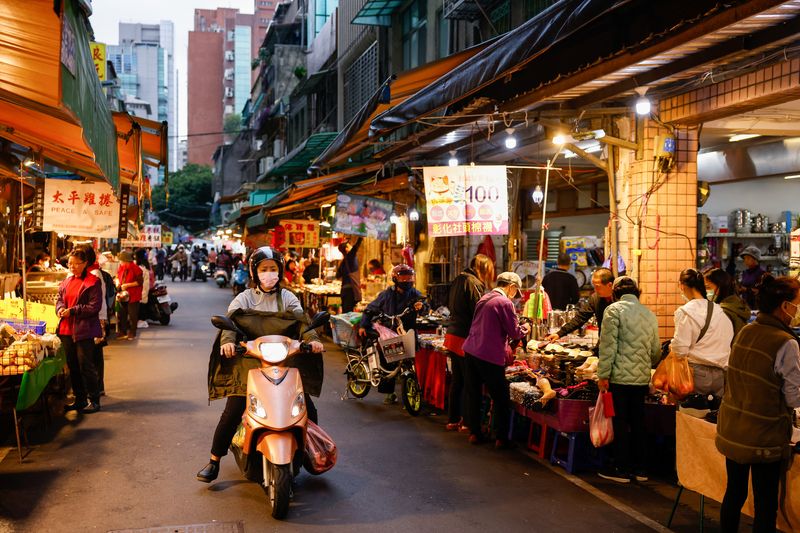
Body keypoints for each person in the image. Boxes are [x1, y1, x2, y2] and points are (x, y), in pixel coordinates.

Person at [196, 246, 325, 483]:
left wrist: (313, 340)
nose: (269, 274)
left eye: (273, 269)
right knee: (233, 409)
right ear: (255, 273)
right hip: (249, 362)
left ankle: (310, 450)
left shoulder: (288, 297)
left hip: (285, 362)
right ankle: (214, 460)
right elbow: (229, 327)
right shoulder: (243, 298)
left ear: (280, 272)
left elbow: (304, 325)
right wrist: (228, 343)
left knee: (308, 407)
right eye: (264, 269)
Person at [716, 275, 800, 532]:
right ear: (784, 306)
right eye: (797, 302)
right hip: (764, 436)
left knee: (734, 493)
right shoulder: (786, 342)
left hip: (733, 429)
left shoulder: (746, 331)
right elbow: (794, 397)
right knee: (765, 504)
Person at [596, 277, 661, 483]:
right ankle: (641, 469)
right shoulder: (649, 314)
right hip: (641, 379)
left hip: (619, 378)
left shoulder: (614, 311)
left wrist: (603, 375)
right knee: (639, 422)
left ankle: (621, 468)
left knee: (621, 422)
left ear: (615, 292)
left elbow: (607, 347)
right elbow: (655, 352)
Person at [462, 272, 529, 449]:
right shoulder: (504, 302)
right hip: (489, 355)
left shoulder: (484, 298)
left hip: (471, 351)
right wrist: (526, 328)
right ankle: (501, 438)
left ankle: (474, 432)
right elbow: (514, 332)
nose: (515, 296)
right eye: (516, 292)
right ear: (511, 286)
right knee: (500, 397)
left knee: (474, 393)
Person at [358, 264, 426, 404]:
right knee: (389, 362)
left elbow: (425, 307)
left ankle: (410, 385)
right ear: (395, 279)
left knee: (410, 360)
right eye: (403, 277)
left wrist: (422, 307)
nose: (407, 280)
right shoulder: (387, 294)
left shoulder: (415, 294)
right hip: (389, 332)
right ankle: (389, 393)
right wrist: (363, 324)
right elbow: (370, 309)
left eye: (409, 277)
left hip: (408, 331)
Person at [672, 268, 734, 415]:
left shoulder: (687, 312)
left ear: (682, 285)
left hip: (697, 375)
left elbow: (680, 350)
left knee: (691, 425)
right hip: (720, 376)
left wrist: (672, 348)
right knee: (712, 425)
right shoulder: (720, 311)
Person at [444, 254, 494, 432]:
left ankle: (452, 419)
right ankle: (467, 422)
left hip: (452, 334)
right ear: (483, 268)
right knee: (469, 382)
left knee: (458, 380)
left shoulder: (459, 279)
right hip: (464, 338)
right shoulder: (473, 283)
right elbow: (479, 312)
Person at [57, 248, 103, 413]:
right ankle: (80, 399)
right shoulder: (67, 281)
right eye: (70, 263)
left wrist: (73, 310)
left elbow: (94, 307)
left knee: (86, 365)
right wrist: (60, 309)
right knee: (73, 366)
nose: (72, 267)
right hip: (66, 330)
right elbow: (60, 299)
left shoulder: (93, 281)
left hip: (84, 330)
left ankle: (94, 400)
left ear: (85, 264)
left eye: (77, 264)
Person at [546, 267, 615, 342]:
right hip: (603, 342)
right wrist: (559, 334)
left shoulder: (620, 299)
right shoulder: (595, 298)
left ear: (609, 285)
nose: (595, 290)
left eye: (597, 287)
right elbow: (580, 318)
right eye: (594, 286)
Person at [704, 268, 750, 338]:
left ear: (720, 287)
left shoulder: (723, 312)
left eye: (708, 287)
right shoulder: (737, 304)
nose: (705, 291)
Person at [116, 251, 143, 340]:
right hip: (123, 294)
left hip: (133, 295)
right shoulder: (122, 267)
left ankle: (132, 332)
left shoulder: (136, 268)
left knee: (132, 315)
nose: (120, 263)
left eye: (121, 261)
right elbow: (118, 276)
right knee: (122, 313)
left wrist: (127, 285)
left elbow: (139, 282)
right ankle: (123, 331)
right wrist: (118, 283)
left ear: (126, 261)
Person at [337, 237, 363, 312]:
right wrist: (360, 238)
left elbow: (338, 275)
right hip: (350, 291)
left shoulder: (343, 262)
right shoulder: (350, 257)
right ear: (346, 249)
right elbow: (355, 248)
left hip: (344, 291)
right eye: (349, 245)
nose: (351, 246)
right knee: (348, 313)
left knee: (346, 311)